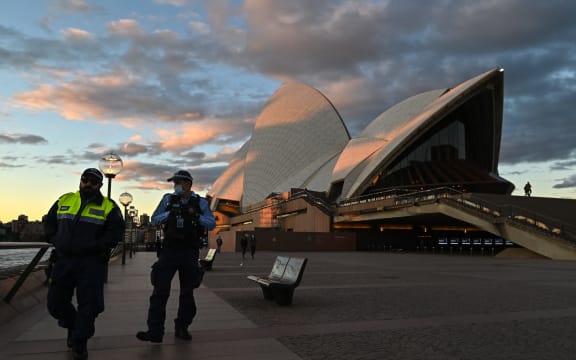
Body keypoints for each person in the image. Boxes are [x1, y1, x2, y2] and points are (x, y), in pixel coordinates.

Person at [43, 168, 124, 360]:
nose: (88, 184)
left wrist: (94, 246)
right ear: (80, 181)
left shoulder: (109, 206)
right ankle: (73, 325)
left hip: (91, 263)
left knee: (90, 305)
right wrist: (55, 239)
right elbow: (48, 222)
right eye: (85, 180)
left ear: (100, 185)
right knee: (55, 303)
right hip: (64, 260)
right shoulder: (65, 199)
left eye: (93, 182)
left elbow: (115, 233)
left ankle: (80, 342)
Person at [137, 170, 216, 343]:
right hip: (169, 251)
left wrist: (195, 215)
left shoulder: (200, 202)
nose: (176, 186)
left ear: (189, 184)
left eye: (179, 182)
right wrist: (170, 214)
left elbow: (211, 223)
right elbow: (155, 218)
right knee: (159, 291)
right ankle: (155, 331)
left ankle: (182, 327)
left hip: (189, 251)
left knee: (187, 293)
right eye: (175, 183)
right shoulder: (168, 199)